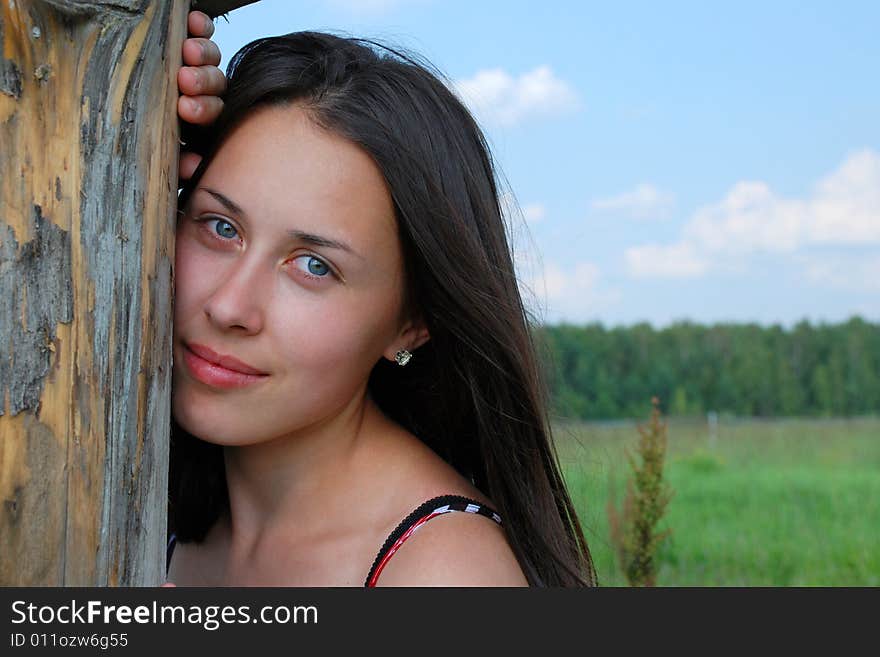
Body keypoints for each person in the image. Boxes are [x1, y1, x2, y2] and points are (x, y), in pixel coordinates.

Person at [167, 11, 597, 587]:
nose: (228, 307)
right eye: (222, 228)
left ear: (411, 322)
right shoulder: (139, 499)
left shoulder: (445, 575)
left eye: (314, 266)